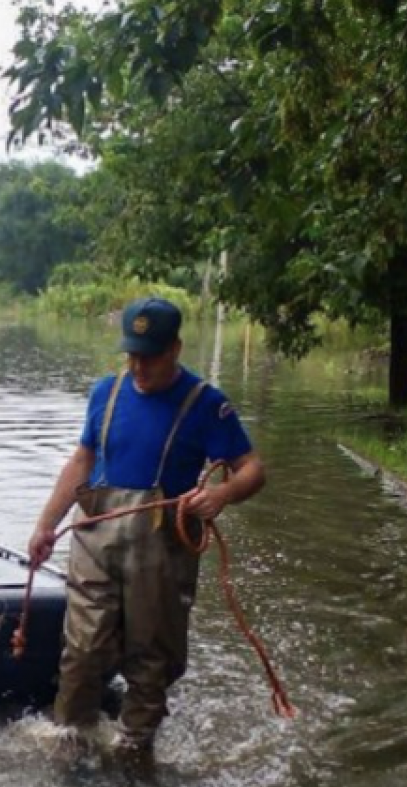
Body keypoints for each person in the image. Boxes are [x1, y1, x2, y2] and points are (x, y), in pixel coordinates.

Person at [27, 297, 266, 757]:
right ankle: (69, 740)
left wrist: (221, 495)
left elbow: (252, 467)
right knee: (82, 647)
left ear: (175, 349)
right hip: (95, 540)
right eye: (132, 354)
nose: (138, 366)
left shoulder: (205, 404)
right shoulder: (105, 393)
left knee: (152, 657)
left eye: (149, 356)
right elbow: (82, 461)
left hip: (162, 550)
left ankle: (134, 752)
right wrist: (45, 525)